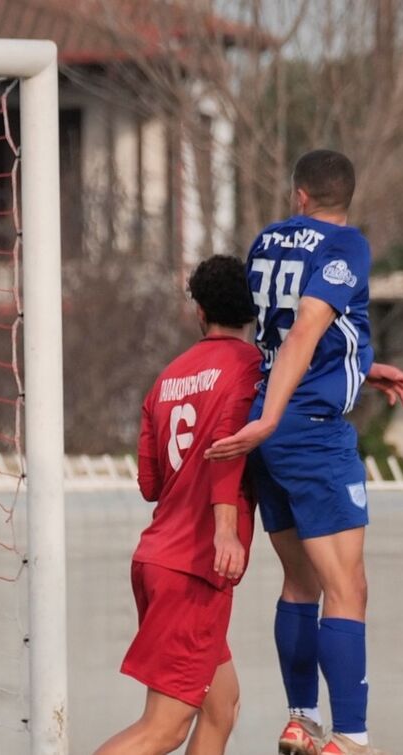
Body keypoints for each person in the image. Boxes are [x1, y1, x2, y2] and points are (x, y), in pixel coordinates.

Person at [205, 150, 403, 755]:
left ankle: (302, 719)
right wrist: (282, 412)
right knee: (348, 588)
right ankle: (349, 738)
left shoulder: (267, 241)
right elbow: (304, 328)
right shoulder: (347, 245)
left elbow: (278, 333)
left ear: (299, 195)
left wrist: (359, 366)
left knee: (301, 582)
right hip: (308, 428)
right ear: (342, 195)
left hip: (270, 428)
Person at [93, 255, 262, 755]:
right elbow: (225, 454)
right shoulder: (254, 371)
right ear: (254, 312)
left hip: (157, 560)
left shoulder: (167, 378)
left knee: (222, 705)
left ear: (199, 312)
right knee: (162, 729)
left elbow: (150, 482)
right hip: (193, 567)